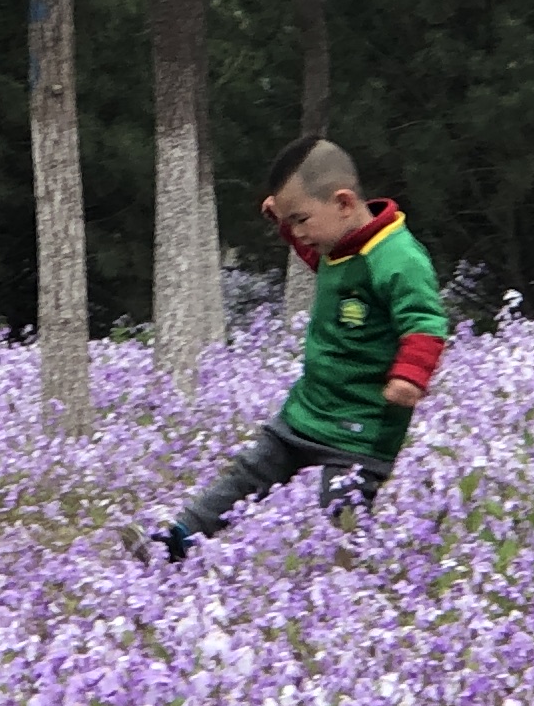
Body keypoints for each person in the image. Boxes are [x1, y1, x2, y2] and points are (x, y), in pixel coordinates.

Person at [143, 137, 450, 558]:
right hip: (310, 407)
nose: (300, 233)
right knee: (249, 473)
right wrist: (285, 223)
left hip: (364, 423)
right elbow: (318, 257)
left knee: (341, 508)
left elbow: (426, 323)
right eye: (293, 223)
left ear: (343, 203)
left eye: (302, 219)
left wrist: (409, 376)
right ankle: (175, 543)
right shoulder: (338, 244)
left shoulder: (397, 256)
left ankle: (354, 587)